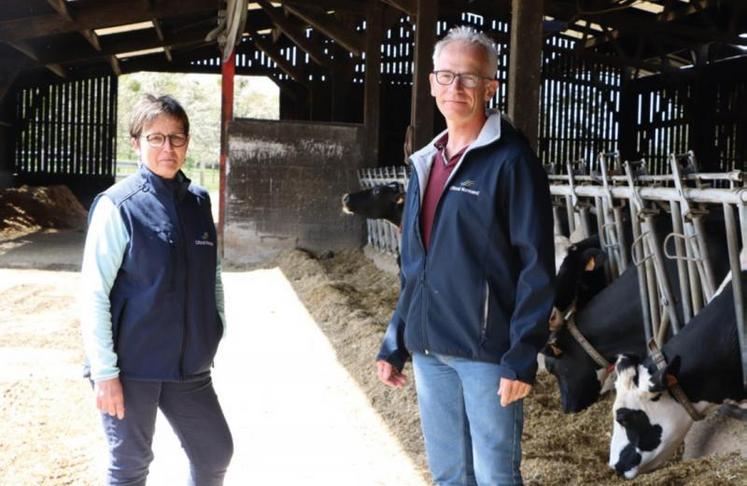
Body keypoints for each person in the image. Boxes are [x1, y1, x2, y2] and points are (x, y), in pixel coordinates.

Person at [375, 26, 554, 486]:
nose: (456, 88)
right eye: (446, 76)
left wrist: (522, 355)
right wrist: (396, 338)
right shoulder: (424, 162)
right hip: (429, 350)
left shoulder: (512, 162)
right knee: (450, 474)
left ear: (490, 87)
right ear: (432, 83)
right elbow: (415, 266)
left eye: (469, 78)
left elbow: (537, 264)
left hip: (487, 354)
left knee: (495, 475)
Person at [80, 94, 233, 486]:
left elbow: (212, 275)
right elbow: (93, 293)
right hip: (132, 367)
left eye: (176, 138)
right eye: (156, 137)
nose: (168, 147)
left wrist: (214, 329)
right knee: (130, 465)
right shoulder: (119, 206)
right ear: (136, 143)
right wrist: (105, 373)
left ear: (186, 143)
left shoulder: (198, 202)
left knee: (215, 451)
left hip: (190, 365)